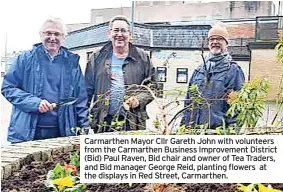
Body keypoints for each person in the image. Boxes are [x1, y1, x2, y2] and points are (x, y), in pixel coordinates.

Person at [1, 17, 89, 143]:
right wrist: (34, 103)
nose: (52, 38)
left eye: (57, 34)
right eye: (48, 33)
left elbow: (80, 99)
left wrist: (83, 127)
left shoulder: (72, 63)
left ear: (63, 37)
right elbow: (8, 88)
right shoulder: (25, 59)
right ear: (41, 35)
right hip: (27, 132)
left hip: (62, 132)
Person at [85, 15, 155, 133]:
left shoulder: (142, 58)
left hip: (133, 122)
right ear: (109, 33)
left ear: (130, 34)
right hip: (103, 122)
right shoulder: (97, 58)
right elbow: (86, 91)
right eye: (116, 30)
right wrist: (83, 121)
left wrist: (138, 100)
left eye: (123, 30)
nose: (119, 34)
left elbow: (153, 86)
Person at [180, 23, 245, 129]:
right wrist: (184, 125)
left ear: (226, 43)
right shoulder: (199, 70)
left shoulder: (233, 70)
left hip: (218, 132)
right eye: (212, 39)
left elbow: (238, 106)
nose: (215, 42)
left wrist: (232, 131)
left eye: (219, 39)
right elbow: (189, 102)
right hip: (194, 130)